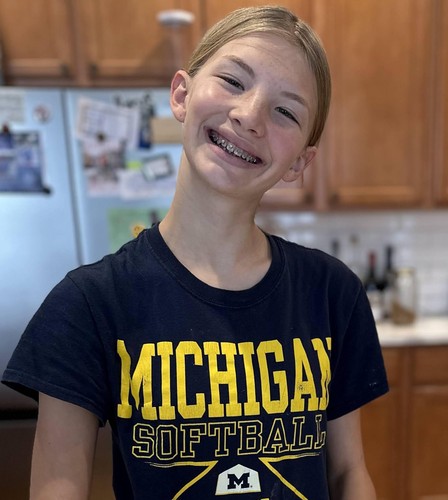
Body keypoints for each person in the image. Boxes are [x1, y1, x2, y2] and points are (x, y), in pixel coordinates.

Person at [2, 5, 388, 499]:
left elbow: (348, 472)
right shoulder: (87, 304)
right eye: (233, 80)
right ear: (182, 95)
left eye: (286, 111)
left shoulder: (332, 294)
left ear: (300, 162)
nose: (249, 116)